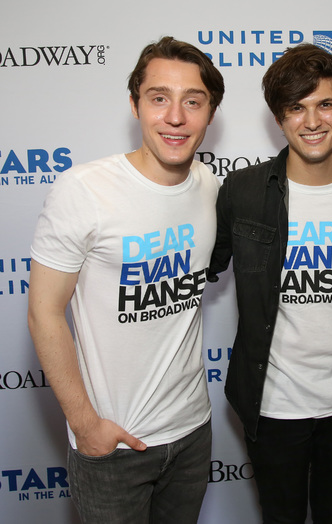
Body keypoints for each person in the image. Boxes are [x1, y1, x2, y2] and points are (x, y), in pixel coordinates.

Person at [27, 36, 224, 524]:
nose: (175, 117)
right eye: (159, 98)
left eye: (192, 102)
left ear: (210, 113)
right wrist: (85, 424)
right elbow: (43, 312)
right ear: (135, 104)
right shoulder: (84, 190)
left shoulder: (210, 185)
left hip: (192, 432)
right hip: (113, 445)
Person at [208, 43, 332, 524]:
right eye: (296, 107)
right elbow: (199, 266)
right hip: (271, 406)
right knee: (280, 516)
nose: (312, 121)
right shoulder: (243, 192)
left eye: (324, 104)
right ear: (279, 117)